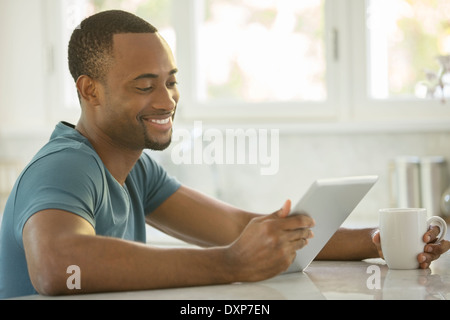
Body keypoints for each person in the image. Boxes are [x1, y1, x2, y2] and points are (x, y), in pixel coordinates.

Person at [0, 10, 448, 299]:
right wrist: (231, 263)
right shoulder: (66, 164)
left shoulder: (135, 170)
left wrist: (377, 240)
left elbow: (238, 227)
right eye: (144, 85)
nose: (167, 100)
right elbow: (59, 266)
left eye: (170, 81)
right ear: (89, 90)